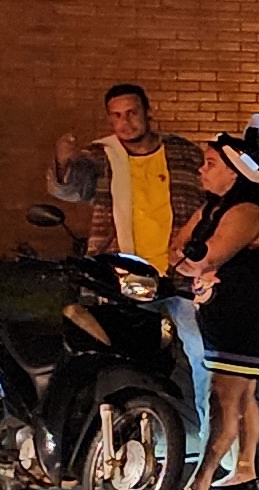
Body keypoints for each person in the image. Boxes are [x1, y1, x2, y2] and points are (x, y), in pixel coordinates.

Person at [49, 82, 211, 409]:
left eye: (132, 113)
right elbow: (70, 190)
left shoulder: (182, 152)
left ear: (148, 113)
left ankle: (212, 428)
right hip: (127, 275)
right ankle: (131, 421)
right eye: (117, 116)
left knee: (202, 352)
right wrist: (63, 161)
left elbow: (209, 200)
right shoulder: (104, 156)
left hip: (178, 271)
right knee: (125, 352)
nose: (125, 123)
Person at [179, 120, 259, 490]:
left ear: (233, 171)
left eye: (209, 163)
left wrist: (198, 264)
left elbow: (205, 256)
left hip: (248, 317)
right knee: (241, 395)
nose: (201, 169)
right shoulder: (213, 208)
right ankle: (245, 470)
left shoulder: (246, 213)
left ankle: (201, 481)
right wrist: (194, 264)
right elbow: (176, 252)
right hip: (224, 315)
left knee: (224, 394)